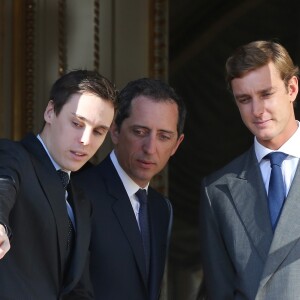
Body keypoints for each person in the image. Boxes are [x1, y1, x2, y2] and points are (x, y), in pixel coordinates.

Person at [0, 69, 117, 299]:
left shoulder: (81, 202)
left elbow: (77, 288)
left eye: (98, 131)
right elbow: (4, 182)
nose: (85, 140)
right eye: (77, 123)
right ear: (50, 111)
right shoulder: (14, 156)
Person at [200, 40, 300, 299]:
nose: (257, 111)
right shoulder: (217, 191)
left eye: (266, 94)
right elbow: (218, 291)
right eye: (244, 99)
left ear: (292, 88)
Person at [74, 78, 186, 300]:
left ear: (176, 145)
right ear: (115, 130)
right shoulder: (78, 193)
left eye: (164, 137)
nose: (150, 148)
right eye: (140, 132)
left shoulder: (161, 208)